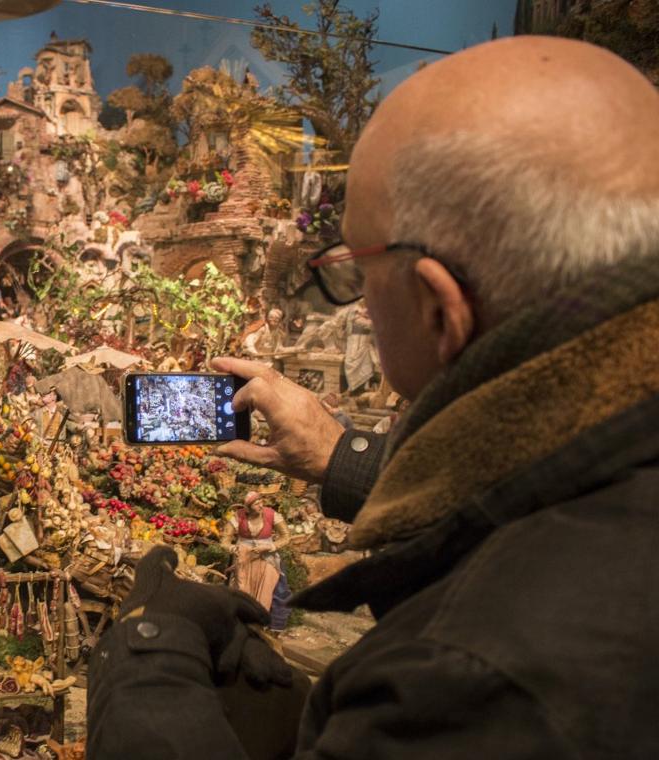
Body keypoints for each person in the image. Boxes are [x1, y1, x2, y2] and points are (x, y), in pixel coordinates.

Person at [88, 37, 659, 758]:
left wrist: (149, 651)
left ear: (438, 310)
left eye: (356, 270)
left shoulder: (462, 683)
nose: (355, 305)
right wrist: (344, 456)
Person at [221, 491, 292, 632]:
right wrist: (234, 548)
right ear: (247, 507)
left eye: (261, 502)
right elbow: (224, 541)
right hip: (244, 559)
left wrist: (270, 546)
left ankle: (271, 625)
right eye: (256, 503)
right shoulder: (238, 517)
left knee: (277, 589)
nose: (260, 505)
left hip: (267, 557)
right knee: (239, 589)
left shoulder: (271, 515)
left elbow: (286, 536)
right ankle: (240, 621)